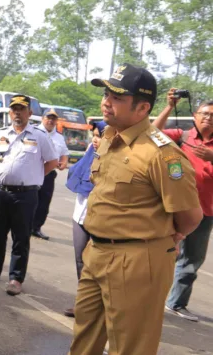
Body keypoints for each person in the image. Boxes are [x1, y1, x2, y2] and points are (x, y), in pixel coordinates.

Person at [69, 64, 203, 355]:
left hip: (137, 260)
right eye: (106, 93)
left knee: (131, 347)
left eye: (117, 97)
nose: (106, 101)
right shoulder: (108, 137)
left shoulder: (163, 154)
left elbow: (191, 216)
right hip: (97, 252)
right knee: (83, 341)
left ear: (142, 108)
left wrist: (171, 238)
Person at [0, 95, 58, 296]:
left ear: (30, 113)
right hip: (1, 192)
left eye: (22, 109)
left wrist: (34, 176)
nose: (18, 113)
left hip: (26, 195)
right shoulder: (0, 134)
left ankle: (15, 278)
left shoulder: (40, 136)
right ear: (10, 112)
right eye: (14, 109)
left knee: (21, 237)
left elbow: (53, 162)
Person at [153, 90, 213, 322]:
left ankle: (176, 303)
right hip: (173, 208)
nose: (208, 118)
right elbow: (152, 133)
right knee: (161, 253)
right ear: (195, 116)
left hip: (205, 211)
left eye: (212, 115)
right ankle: (150, 296)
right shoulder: (182, 135)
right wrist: (169, 106)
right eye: (204, 114)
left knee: (191, 261)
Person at [62, 120, 106, 318]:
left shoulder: (115, 158)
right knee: (80, 260)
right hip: (79, 214)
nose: (96, 140)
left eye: (101, 136)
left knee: (98, 264)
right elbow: (76, 173)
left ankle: (99, 306)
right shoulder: (91, 152)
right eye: (95, 135)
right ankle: (83, 303)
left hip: (101, 219)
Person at [32, 109, 70, 240]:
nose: (51, 120)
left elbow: (64, 153)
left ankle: (36, 228)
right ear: (43, 118)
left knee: (44, 203)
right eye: (48, 117)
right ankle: (23, 225)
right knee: (29, 200)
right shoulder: (33, 132)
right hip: (33, 171)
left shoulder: (59, 137)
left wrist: (64, 162)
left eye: (53, 119)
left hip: (48, 175)